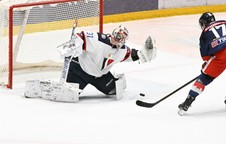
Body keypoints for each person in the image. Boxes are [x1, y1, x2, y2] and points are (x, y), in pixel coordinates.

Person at [25, 25, 156, 102]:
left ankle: (117, 79)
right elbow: (81, 36)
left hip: (100, 76)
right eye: (116, 35)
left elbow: (133, 54)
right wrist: (71, 46)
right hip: (80, 70)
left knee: (114, 91)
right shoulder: (99, 39)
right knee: (70, 95)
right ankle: (39, 88)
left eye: (120, 38)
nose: (116, 38)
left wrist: (145, 53)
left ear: (124, 41)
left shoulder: (121, 50)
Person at [178, 12, 226, 116]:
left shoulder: (204, 33)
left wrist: (206, 67)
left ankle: (187, 103)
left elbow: (205, 57)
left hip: (224, 55)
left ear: (203, 23)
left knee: (204, 78)